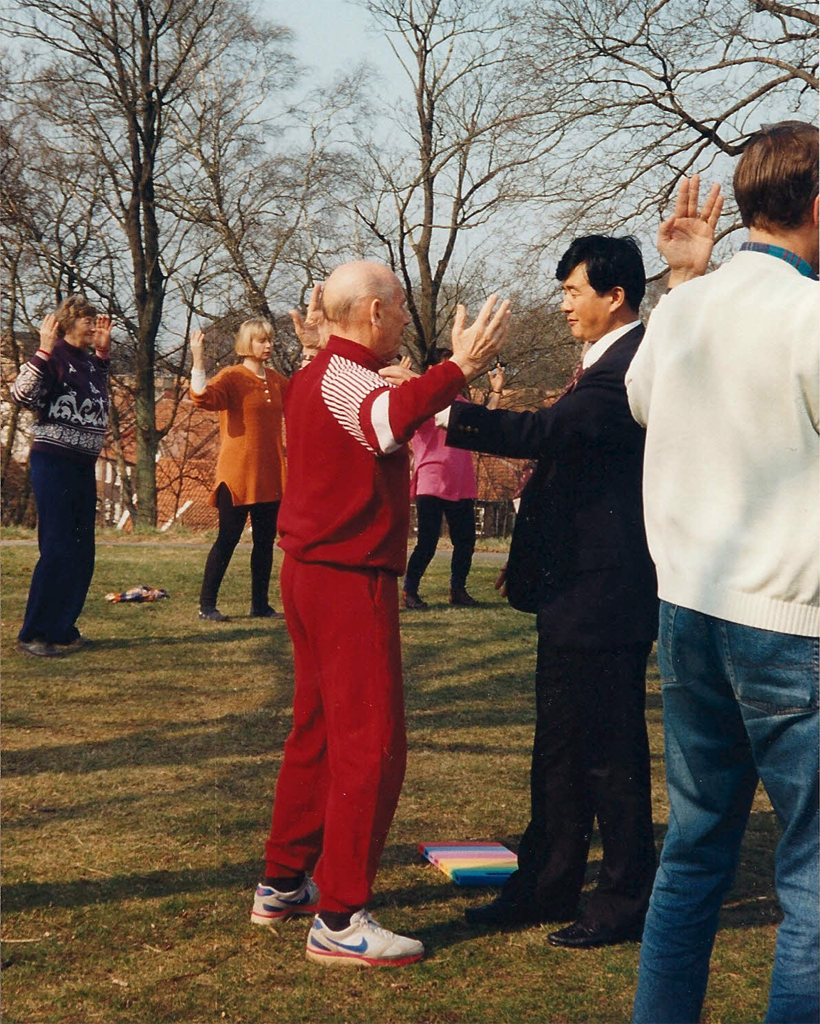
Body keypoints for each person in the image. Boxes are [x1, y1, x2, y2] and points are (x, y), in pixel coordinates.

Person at [250, 261, 510, 967]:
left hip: (313, 573)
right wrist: (459, 365)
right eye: (397, 307)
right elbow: (386, 424)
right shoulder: (342, 375)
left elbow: (375, 408)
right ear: (370, 313)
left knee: (318, 732)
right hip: (346, 578)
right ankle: (338, 916)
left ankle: (283, 882)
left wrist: (429, 378)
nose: (404, 318)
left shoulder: (323, 371)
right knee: (372, 743)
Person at [627, 125, 818, 1024]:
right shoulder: (808, 316)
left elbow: (643, 401)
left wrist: (684, 286)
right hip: (789, 619)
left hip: (689, 612)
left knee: (695, 852)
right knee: (812, 880)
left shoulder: (683, 309)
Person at [444, 236, 659, 948]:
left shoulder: (628, 366)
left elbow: (545, 433)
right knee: (562, 747)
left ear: (615, 295)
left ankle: (623, 899)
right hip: (576, 588)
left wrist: (442, 403)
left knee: (609, 753)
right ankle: (547, 882)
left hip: (606, 592)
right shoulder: (601, 363)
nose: (563, 303)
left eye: (572, 290)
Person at [11, 295, 112, 657]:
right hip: (53, 462)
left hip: (83, 464)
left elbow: (95, 398)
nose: (94, 324)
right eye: (86, 319)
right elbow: (22, 394)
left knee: (83, 550)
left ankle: (62, 627)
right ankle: (33, 632)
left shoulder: (88, 362)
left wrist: (102, 356)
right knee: (56, 547)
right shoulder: (54, 356)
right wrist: (41, 349)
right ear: (67, 323)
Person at [189, 318, 288, 621]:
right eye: (261, 340)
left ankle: (259, 604)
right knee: (228, 538)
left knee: (264, 542)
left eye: (270, 340)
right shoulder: (232, 376)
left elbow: (304, 399)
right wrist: (198, 359)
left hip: (270, 472)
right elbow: (202, 397)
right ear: (247, 343)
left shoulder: (276, 379)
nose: (268, 345)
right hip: (236, 475)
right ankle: (207, 605)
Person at [402, 352, 505, 609]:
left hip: (461, 482)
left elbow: (485, 423)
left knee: (465, 541)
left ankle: (458, 589)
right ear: (430, 369)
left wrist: (497, 392)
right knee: (427, 541)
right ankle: (409, 591)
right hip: (432, 479)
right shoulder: (423, 399)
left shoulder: (460, 403)